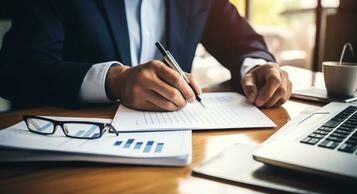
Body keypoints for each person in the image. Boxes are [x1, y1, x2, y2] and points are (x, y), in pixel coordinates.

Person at [0, 0, 292, 111]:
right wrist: (114, 80)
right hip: (75, 152)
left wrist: (258, 65)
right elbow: (16, 71)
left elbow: (243, 42)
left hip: (176, 151)